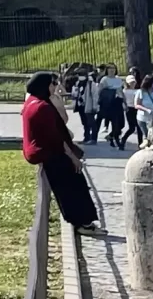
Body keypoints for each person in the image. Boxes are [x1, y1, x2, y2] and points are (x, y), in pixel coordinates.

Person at [21, 71, 100, 228]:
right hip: (44, 151)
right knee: (74, 178)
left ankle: (80, 219)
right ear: (44, 86)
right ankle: (81, 221)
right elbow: (56, 138)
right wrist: (73, 158)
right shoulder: (42, 107)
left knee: (72, 177)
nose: (54, 87)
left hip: (39, 149)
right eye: (52, 84)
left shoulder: (32, 101)